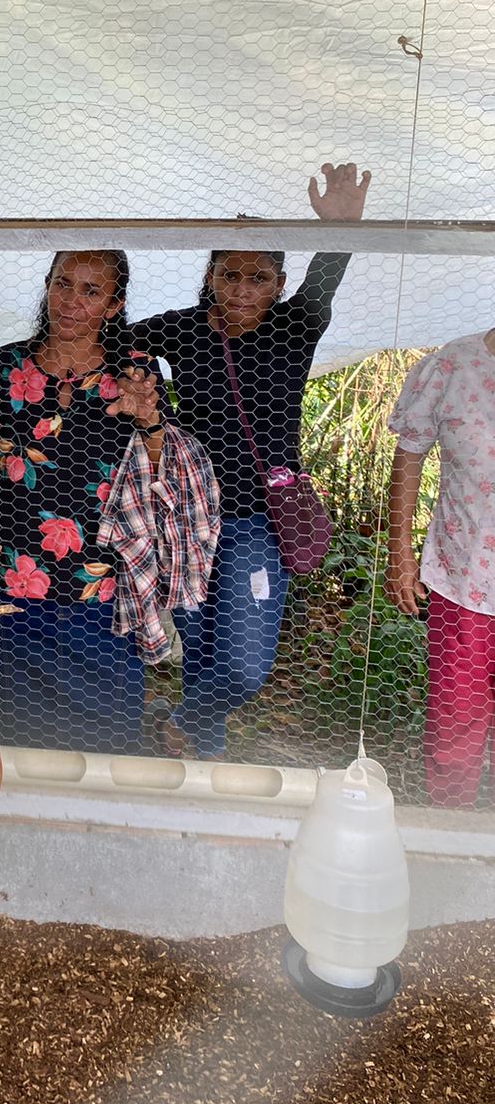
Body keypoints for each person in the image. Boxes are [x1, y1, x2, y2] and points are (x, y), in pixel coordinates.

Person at [133, 162, 372, 760]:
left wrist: (340, 228)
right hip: (187, 518)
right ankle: (198, 762)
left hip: (256, 525)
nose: (242, 288)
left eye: (258, 277)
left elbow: (327, 277)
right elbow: (112, 346)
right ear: (211, 275)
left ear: (279, 282)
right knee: (203, 653)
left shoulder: (296, 327)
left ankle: (182, 720)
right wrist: (151, 404)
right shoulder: (182, 330)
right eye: (230, 274)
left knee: (243, 669)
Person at [0, 251, 166, 753]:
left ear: (113, 304)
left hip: (102, 581)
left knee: (109, 736)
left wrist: (148, 420)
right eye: (64, 284)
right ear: (47, 284)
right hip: (17, 576)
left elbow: (159, 473)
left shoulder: (135, 373)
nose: (72, 301)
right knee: (24, 733)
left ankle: (101, 826)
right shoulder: (5, 365)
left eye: (90, 291)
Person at [386, 327, 495, 807]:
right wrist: (399, 551)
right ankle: (449, 837)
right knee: (455, 725)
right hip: (465, 576)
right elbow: (409, 455)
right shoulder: (452, 365)